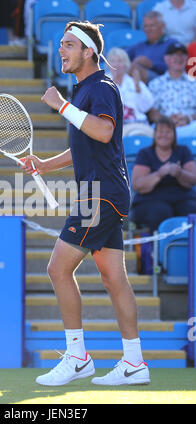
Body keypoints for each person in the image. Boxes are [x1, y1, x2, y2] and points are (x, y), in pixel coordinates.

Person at [21, 21, 150, 386]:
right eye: (61, 44)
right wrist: (45, 164)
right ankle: (135, 362)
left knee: (57, 269)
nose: (60, 50)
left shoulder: (102, 87)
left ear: (88, 51)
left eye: (68, 45)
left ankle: (77, 357)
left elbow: (104, 131)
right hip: (106, 192)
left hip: (101, 195)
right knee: (114, 278)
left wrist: (61, 105)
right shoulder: (83, 93)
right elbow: (87, 144)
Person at [130, 116, 196, 232]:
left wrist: (179, 172)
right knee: (161, 212)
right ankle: (158, 249)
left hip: (183, 198)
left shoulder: (183, 151)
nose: (164, 135)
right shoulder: (145, 153)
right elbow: (137, 185)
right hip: (151, 200)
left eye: (168, 132)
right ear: (155, 134)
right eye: (160, 131)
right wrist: (159, 174)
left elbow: (193, 179)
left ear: (174, 135)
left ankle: (189, 248)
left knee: (190, 210)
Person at [148, 41, 196, 138]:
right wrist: (167, 120)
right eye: (174, 55)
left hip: (190, 126)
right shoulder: (155, 84)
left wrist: (188, 118)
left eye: (182, 55)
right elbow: (151, 112)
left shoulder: (194, 83)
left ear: (187, 59)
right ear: (166, 59)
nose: (178, 58)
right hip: (164, 126)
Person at [107, 47, 154, 137]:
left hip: (139, 124)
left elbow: (146, 107)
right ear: (108, 64)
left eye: (120, 61)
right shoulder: (102, 83)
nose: (116, 64)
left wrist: (137, 87)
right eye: (113, 61)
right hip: (116, 127)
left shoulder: (135, 82)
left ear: (126, 64)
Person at [127, 11, 178, 84]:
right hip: (137, 78)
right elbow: (121, 55)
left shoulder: (172, 44)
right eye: (146, 26)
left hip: (163, 80)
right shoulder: (140, 45)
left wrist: (152, 64)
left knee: (136, 69)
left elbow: (177, 67)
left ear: (162, 26)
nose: (148, 29)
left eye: (152, 25)